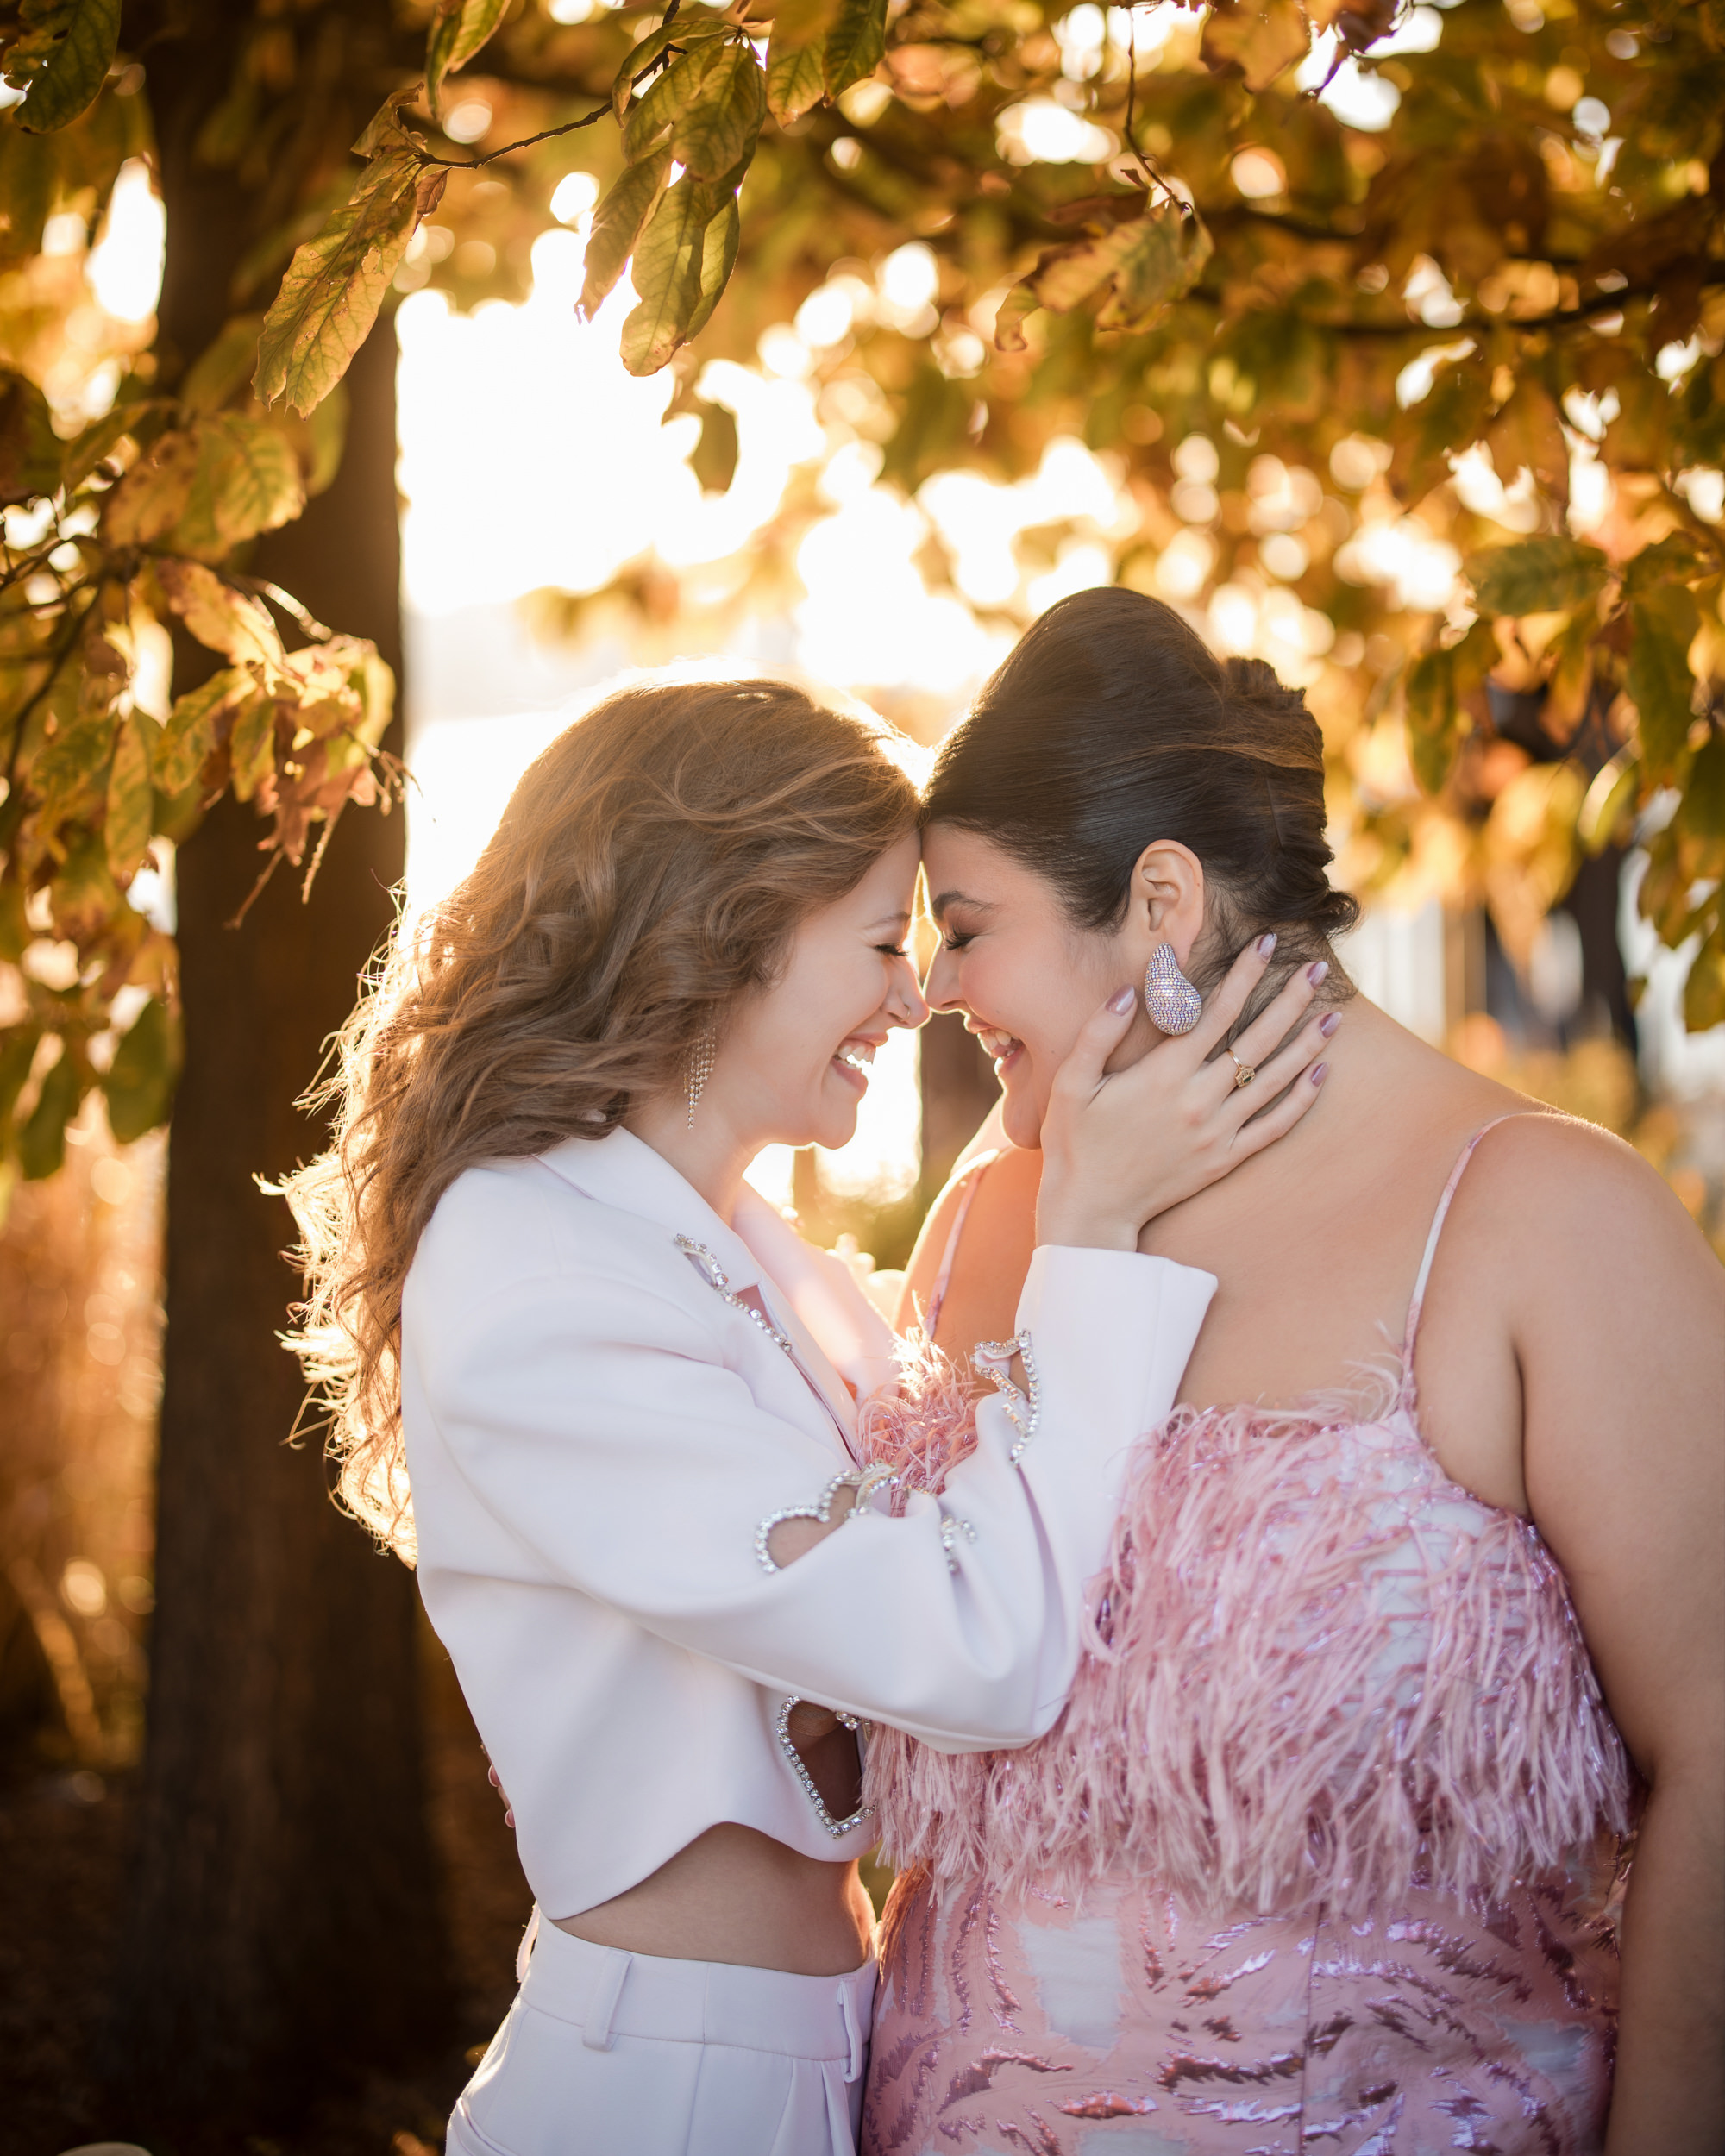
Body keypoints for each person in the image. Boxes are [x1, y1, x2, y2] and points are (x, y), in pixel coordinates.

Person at [281, 676, 1335, 2156]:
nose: (919, 999)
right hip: (672, 2085)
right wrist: (1088, 1228)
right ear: (733, 936)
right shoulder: (531, 1272)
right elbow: (973, 1644)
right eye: (888, 944)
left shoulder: (721, 1241)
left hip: (814, 2043)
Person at [862, 588, 1723, 2155]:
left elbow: (1719, 1756)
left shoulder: (1544, 1219)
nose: (931, 991)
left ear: (1163, 902)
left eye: (969, 931)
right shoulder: (996, 1216)